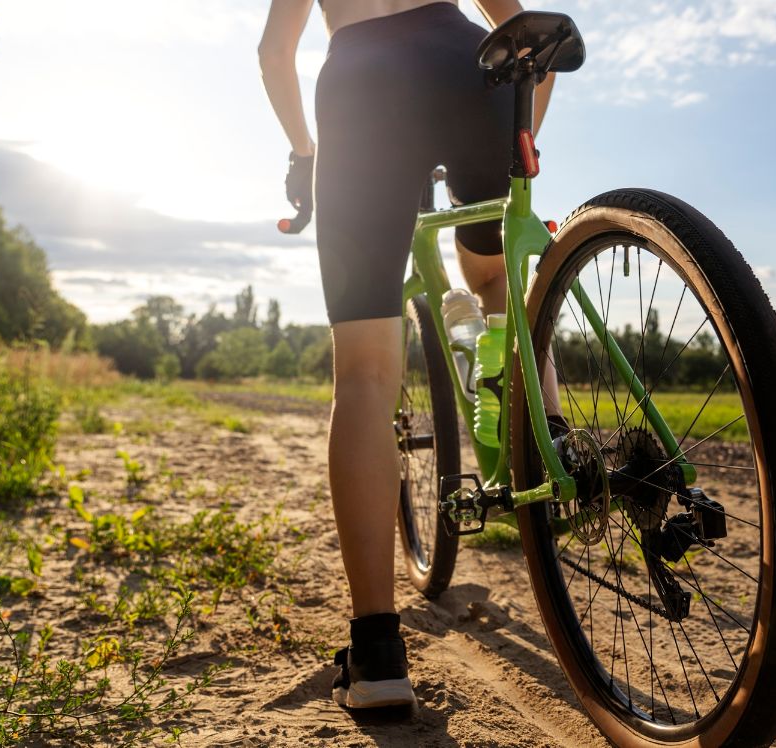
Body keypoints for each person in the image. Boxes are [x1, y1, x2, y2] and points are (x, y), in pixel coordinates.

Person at [258, 0, 554, 710]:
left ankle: (378, 655)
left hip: (362, 85)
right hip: (467, 63)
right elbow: (517, 22)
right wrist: (521, 145)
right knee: (494, 276)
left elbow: (275, 53)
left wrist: (305, 154)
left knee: (364, 373)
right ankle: (538, 434)